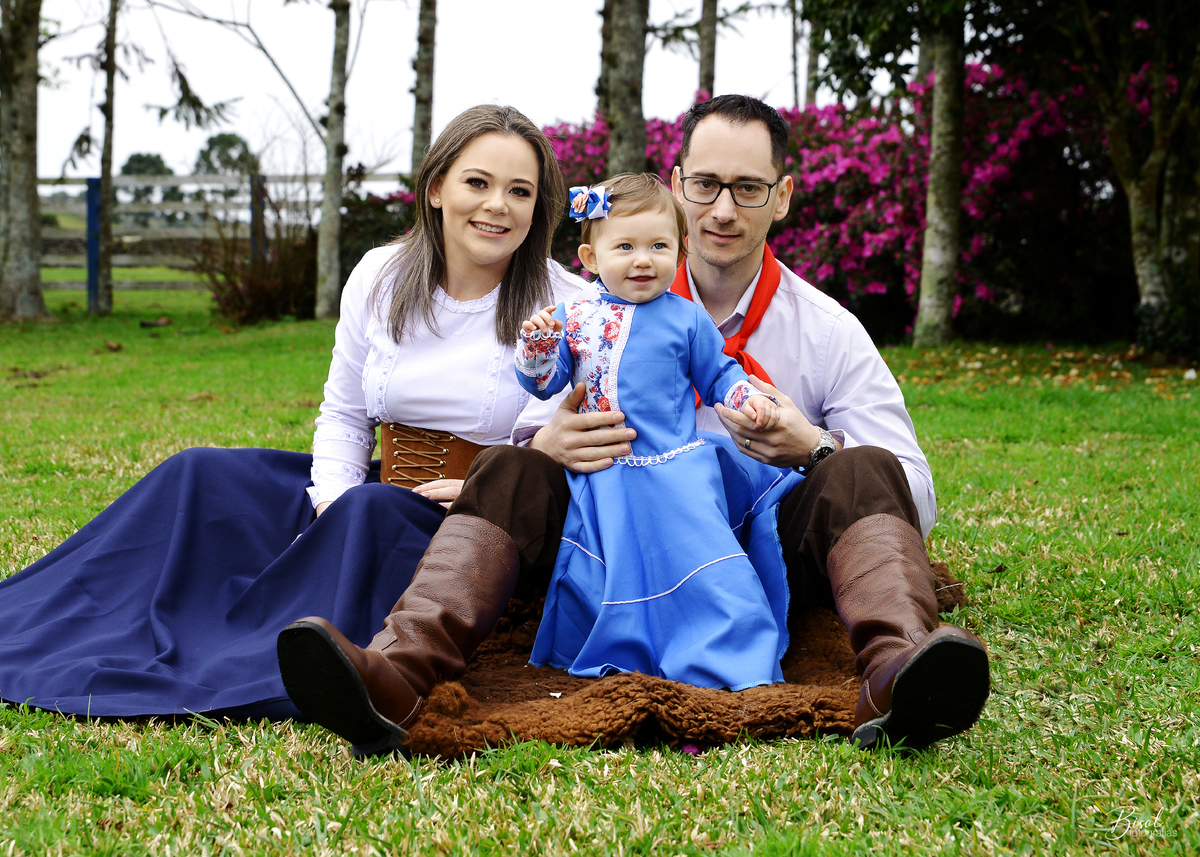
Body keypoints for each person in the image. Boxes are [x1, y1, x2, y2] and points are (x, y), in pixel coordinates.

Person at [281, 95, 990, 756]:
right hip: (612, 529)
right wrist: (544, 442)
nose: (723, 209)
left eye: (748, 188)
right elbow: (532, 397)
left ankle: (898, 672)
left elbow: (913, 492)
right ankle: (402, 670)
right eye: (706, 184)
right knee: (513, 467)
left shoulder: (828, 331)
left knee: (862, 464)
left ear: (782, 196)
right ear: (676, 188)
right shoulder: (592, 303)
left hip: (761, 541)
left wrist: (813, 447)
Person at [0, 104, 589, 725]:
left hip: (462, 522)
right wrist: (330, 505)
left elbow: (550, 452)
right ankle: (68, 620)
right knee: (199, 475)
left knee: (373, 509)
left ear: (538, 207)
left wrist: (480, 481)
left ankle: (283, 661)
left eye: (519, 191)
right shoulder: (381, 275)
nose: (497, 205)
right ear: (437, 188)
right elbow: (344, 414)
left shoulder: (569, 304)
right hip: (374, 488)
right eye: (478, 182)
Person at [516, 173, 792, 691]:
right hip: (603, 475)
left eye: (659, 247)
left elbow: (719, 375)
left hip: (676, 469)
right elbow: (545, 384)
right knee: (606, 571)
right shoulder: (572, 318)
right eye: (625, 247)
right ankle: (626, 654)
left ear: (681, 251)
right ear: (590, 257)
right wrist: (537, 347)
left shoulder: (687, 318)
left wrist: (747, 399)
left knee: (706, 563)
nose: (643, 260)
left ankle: (729, 657)